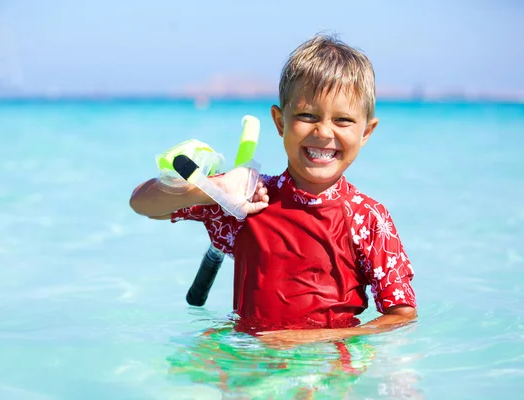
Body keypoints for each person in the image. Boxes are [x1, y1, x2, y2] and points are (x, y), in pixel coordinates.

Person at [130, 33, 417, 350]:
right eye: (307, 116)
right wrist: (209, 191)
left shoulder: (368, 219)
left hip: (325, 368)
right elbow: (142, 204)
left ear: (366, 132)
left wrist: (309, 339)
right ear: (280, 122)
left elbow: (401, 316)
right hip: (247, 359)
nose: (323, 131)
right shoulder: (247, 197)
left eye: (343, 120)